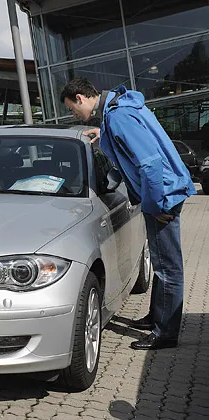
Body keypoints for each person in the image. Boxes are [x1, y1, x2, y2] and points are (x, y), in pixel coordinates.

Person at [60, 78, 196, 350]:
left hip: (163, 195)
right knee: (161, 264)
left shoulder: (119, 115)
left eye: (72, 110)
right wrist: (104, 133)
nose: (73, 115)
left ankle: (165, 333)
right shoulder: (117, 112)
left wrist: (153, 205)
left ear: (80, 98)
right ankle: (157, 318)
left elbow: (150, 163)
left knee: (168, 268)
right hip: (163, 192)